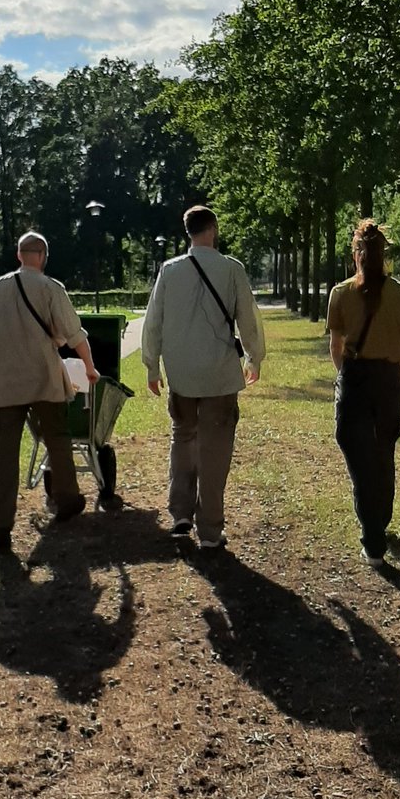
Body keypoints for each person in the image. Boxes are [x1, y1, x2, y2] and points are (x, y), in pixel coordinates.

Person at [141, 205, 266, 549]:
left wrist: (151, 365)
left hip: (181, 373)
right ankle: (210, 528)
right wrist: (254, 357)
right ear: (212, 229)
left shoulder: (169, 270)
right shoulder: (231, 269)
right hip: (219, 373)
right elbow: (248, 319)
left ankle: (180, 511)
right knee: (215, 448)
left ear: (189, 232)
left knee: (182, 438)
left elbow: (153, 321)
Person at [0, 231, 100, 550]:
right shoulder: (50, 288)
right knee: (57, 438)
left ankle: (1, 526)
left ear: (19, 255)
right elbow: (75, 333)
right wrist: (89, 367)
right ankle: (67, 499)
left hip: (4, 383)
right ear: (42, 256)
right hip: (44, 377)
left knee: (5, 452)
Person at [327, 218, 400, 568]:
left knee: (358, 457)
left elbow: (336, 347)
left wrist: (347, 379)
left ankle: (373, 535)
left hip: (355, 379)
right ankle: (378, 521)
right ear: (384, 255)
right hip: (388, 381)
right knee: (383, 453)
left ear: (355, 254)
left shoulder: (341, 293)